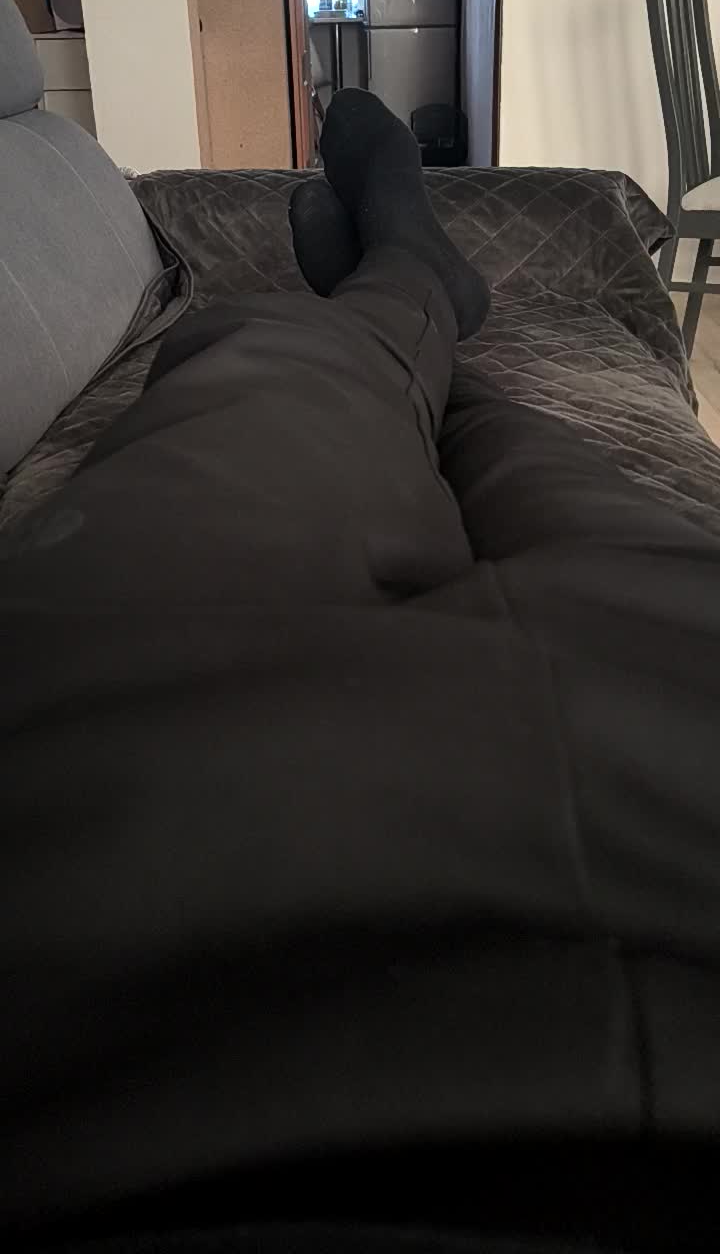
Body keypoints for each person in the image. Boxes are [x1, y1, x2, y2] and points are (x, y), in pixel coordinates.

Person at [2, 92, 719, 1253]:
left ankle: (403, 289)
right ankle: (418, 296)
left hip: (139, 769)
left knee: (273, 373)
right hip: (682, 731)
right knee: (527, 450)